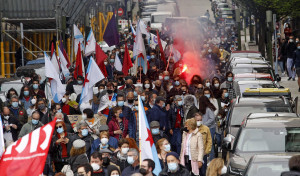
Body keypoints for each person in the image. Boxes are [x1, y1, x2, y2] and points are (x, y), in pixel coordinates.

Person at [199, 96, 216, 162]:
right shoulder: (205, 109)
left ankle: (211, 158)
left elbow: (212, 118)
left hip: (210, 128)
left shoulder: (208, 109)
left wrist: (204, 124)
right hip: (207, 128)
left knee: (210, 143)